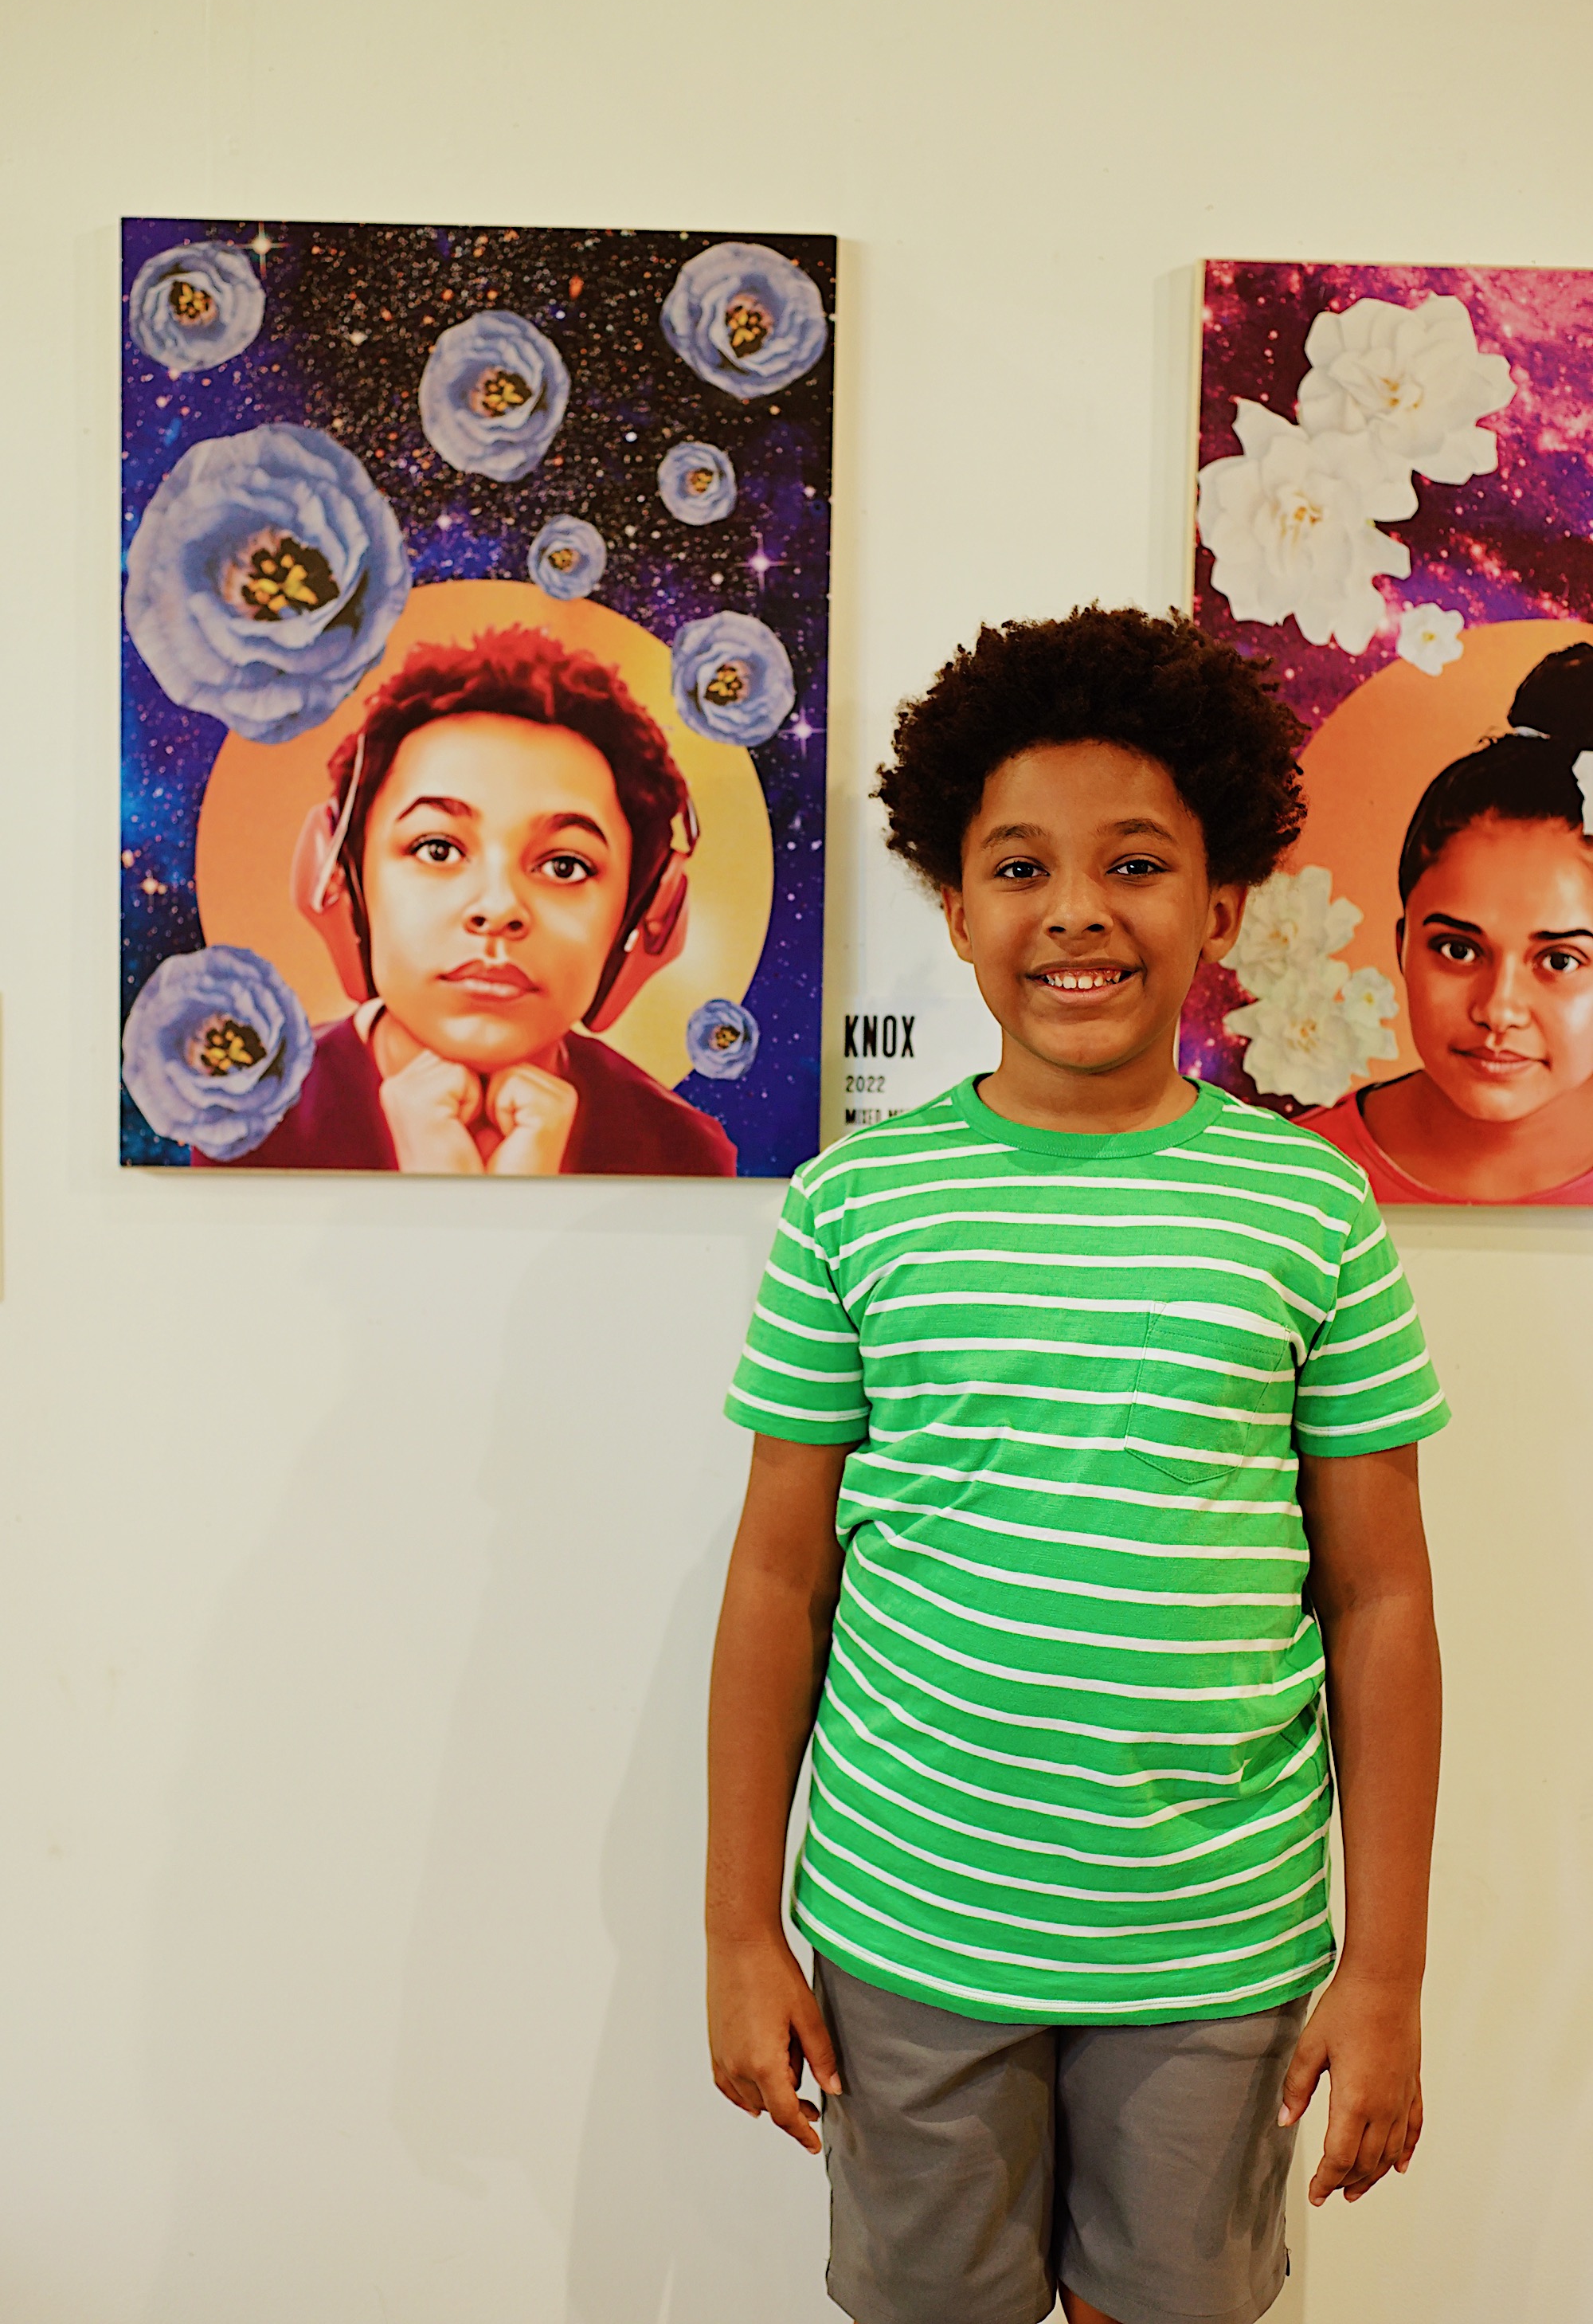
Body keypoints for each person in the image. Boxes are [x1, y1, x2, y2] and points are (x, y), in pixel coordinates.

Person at [706, 607, 1447, 2324]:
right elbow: (778, 1574)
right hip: (910, 1921)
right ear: (956, 906)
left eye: (1136, 863)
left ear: (1222, 901)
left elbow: (1381, 1596)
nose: (1077, 911)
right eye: (1020, 867)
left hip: (1214, 1942)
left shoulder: (1310, 1207)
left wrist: (1387, 1969)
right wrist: (739, 1930)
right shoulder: (855, 1205)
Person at [199, 625, 737, 1176]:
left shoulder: (687, 1153)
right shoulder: (237, 1126)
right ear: (342, 883)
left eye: (564, 866)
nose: (498, 909)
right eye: (437, 849)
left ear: (645, 913)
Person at [1301, 641, 1593, 1203]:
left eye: (1560, 960)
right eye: (1459, 950)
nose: (1498, 1011)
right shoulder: (1295, 1179)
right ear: (1402, 947)